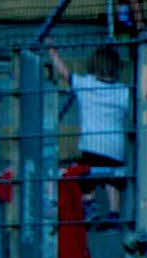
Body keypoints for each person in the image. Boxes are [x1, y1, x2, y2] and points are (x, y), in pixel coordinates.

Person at [49, 44, 130, 226]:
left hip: (92, 144)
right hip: (115, 147)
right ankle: (114, 213)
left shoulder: (86, 83)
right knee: (113, 179)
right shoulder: (123, 91)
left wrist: (53, 52)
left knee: (84, 173)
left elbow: (65, 74)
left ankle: (90, 203)